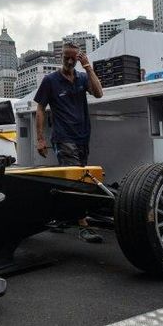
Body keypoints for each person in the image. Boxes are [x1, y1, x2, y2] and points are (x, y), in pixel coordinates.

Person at [34, 42, 104, 243]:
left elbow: (99, 93)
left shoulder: (82, 78)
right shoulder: (50, 80)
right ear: (61, 57)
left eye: (74, 57)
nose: (70, 61)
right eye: (67, 57)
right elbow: (40, 108)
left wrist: (88, 67)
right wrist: (40, 139)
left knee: (76, 178)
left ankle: (58, 216)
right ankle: (83, 226)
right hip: (63, 137)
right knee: (76, 180)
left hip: (83, 136)